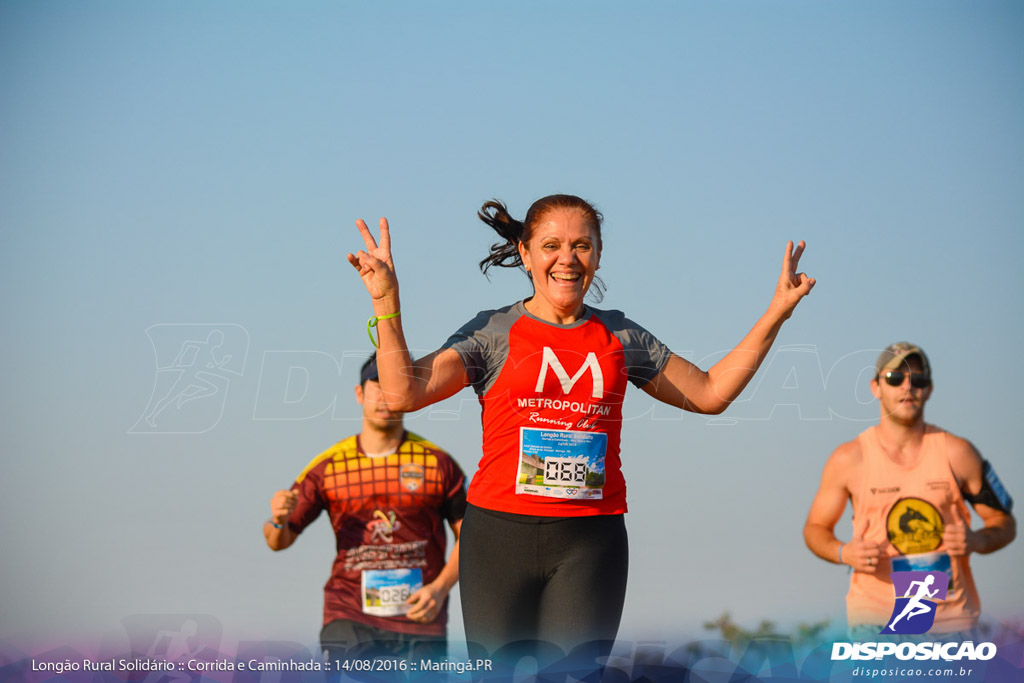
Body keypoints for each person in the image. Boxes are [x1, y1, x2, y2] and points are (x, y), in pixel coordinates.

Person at [347, 194, 814, 654]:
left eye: (582, 246)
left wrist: (777, 311)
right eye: (551, 245)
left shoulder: (622, 336)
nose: (566, 260)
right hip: (497, 539)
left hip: (590, 543)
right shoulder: (491, 332)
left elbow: (710, 394)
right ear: (525, 255)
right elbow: (401, 393)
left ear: (598, 255)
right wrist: (386, 299)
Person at [803, 342, 1016, 638]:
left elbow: (1005, 524)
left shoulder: (959, 453)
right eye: (895, 378)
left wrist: (977, 540)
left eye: (918, 379)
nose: (908, 387)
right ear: (875, 387)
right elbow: (814, 529)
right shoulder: (849, 459)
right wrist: (843, 552)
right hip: (874, 621)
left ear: (929, 389)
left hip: (950, 622)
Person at [264, 355, 467, 661]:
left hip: (420, 620)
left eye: (395, 386)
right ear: (360, 394)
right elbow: (278, 540)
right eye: (378, 386)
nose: (387, 396)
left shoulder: (438, 463)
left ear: (410, 391)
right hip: (349, 617)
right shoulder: (328, 467)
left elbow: (472, 538)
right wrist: (279, 520)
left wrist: (440, 588)